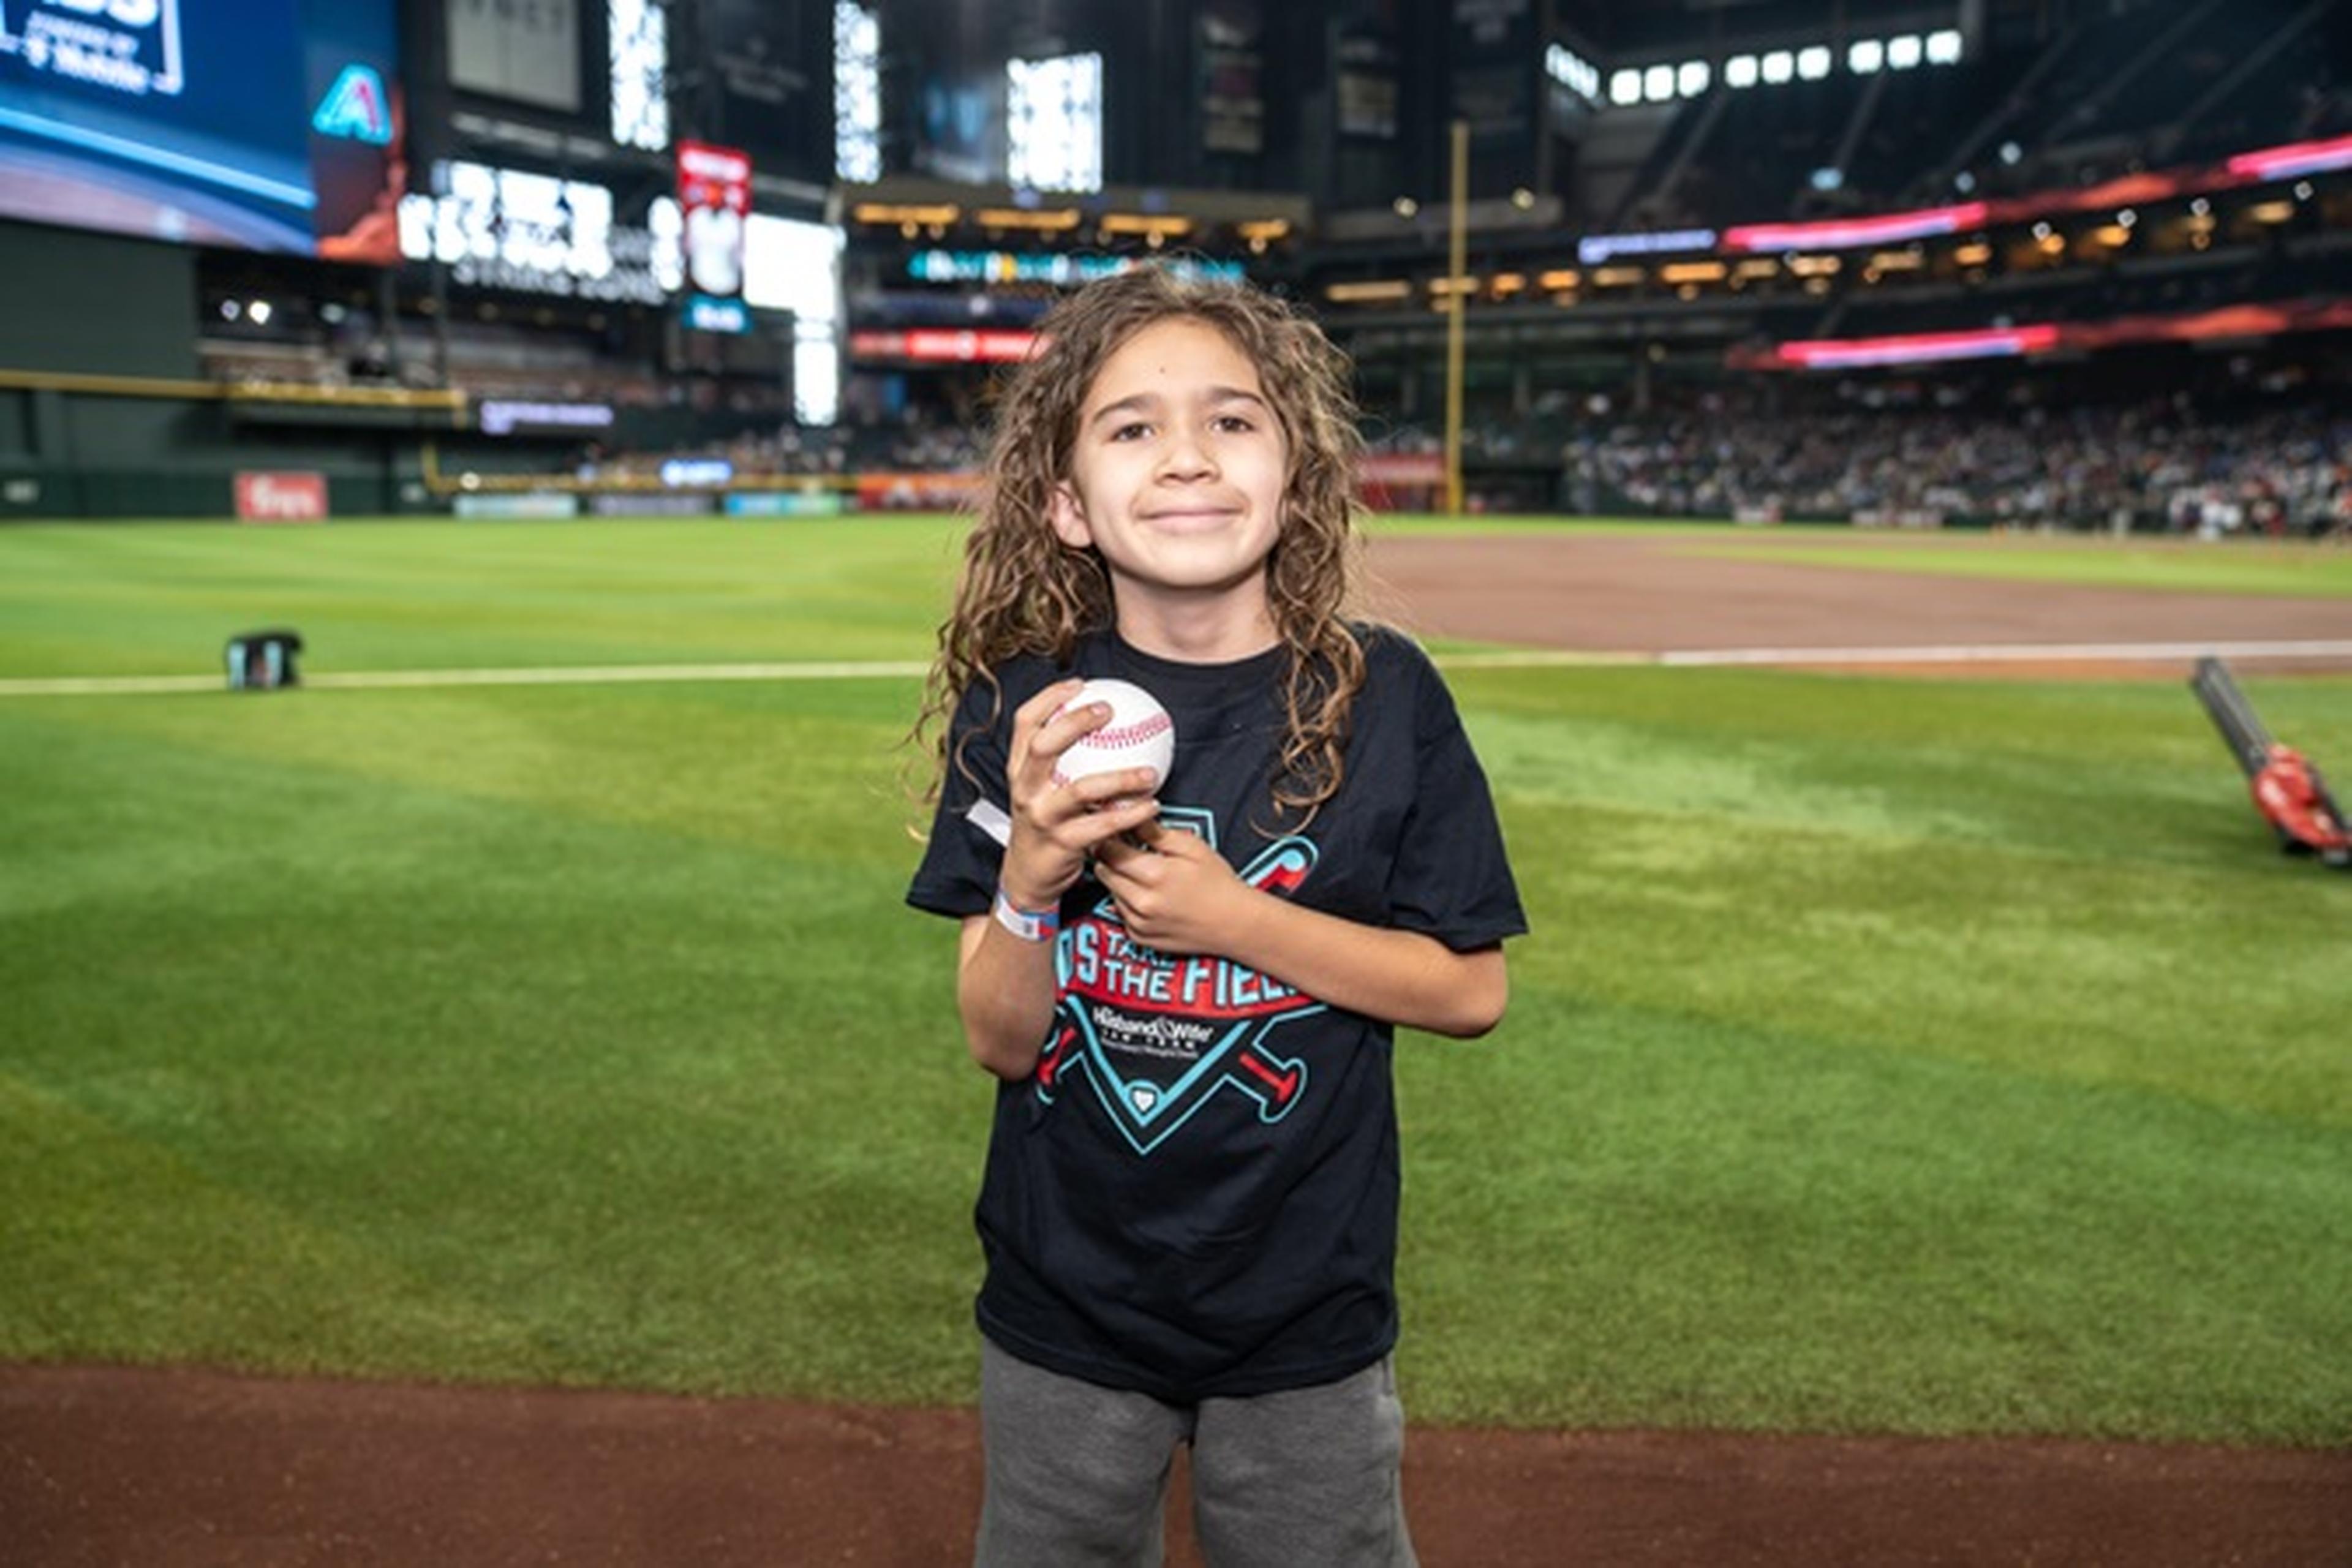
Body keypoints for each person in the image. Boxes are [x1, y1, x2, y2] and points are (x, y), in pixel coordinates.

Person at [907, 266, 1525, 1568]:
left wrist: (1239, 921)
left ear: (1295, 476)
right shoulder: (1025, 707)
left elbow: (1469, 989)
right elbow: (1000, 1039)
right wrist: (1026, 876)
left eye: (1233, 420)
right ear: (1068, 504)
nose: (1186, 457)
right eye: (1133, 427)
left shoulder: (1388, 697)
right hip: (1066, 1293)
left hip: (1304, 1296)